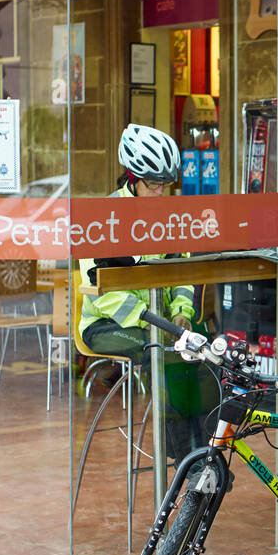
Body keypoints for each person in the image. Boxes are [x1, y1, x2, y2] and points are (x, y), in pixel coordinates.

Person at [78, 124, 208, 457]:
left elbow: (182, 271)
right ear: (132, 177)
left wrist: (182, 311)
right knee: (158, 353)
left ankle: (206, 452)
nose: (160, 193)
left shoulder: (167, 216)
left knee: (205, 352)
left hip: (160, 323)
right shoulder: (102, 218)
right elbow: (101, 290)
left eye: (165, 185)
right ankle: (186, 458)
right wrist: (151, 321)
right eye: (153, 184)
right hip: (106, 326)